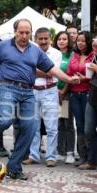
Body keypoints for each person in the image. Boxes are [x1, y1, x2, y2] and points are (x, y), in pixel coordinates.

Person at [0, 19, 79, 180]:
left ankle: (14, 167)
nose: (24, 36)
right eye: (21, 32)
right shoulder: (2, 47)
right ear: (15, 31)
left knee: (30, 127)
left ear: (31, 32)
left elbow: (52, 69)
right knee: (4, 120)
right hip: (7, 88)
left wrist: (69, 79)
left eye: (27, 32)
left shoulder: (35, 50)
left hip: (28, 92)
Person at [22, 27, 62, 167]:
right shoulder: (29, 52)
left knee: (51, 127)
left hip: (50, 91)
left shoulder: (56, 53)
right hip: (33, 91)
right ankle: (34, 155)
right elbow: (29, 70)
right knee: (33, 126)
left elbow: (52, 73)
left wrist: (35, 70)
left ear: (50, 38)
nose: (44, 41)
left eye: (46, 38)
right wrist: (44, 70)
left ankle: (51, 157)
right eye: (41, 39)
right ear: (35, 39)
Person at [66, 31, 94, 166]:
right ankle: (82, 157)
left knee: (89, 126)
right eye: (78, 40)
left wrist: (85, 79)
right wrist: (65, 89)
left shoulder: (93, 56)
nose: (80, 43)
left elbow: (93, 77)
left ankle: (91, 157)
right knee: (79, 125)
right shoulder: (74, 55)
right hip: (74, 94)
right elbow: (69, 73)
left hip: (88, 93)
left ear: (88, 42)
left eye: (83, 40)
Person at [53, 31, 75, 164]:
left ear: (68, 41)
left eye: (64, 39)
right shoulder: (54, 54)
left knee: (68, 123)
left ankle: (70, 152)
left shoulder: (72, 55)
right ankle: (60, 151)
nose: (61, 41)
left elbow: (70, 74)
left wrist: (63, 91)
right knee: (59, 123)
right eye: (59, 39)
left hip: (66, 94)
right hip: (53, 93)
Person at [78, 40, 97, 170]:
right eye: (94, 45)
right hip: (93, 95)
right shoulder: (94, 56)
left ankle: (92, 161)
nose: (95, 47)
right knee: (88, 130)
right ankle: (92, 161)